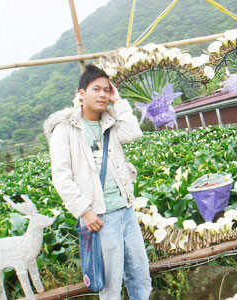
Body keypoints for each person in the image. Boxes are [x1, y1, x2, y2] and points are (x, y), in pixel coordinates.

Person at [44, 64, 152, 299]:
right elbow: (61, 176)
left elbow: (134, 134)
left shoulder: (110, 123)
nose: (102, 95)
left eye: (107, 90)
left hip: (125, 211)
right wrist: (84, 211)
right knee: (110, 286)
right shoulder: (64, 129)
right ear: (81, 93)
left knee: (140, 276)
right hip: (99, 218)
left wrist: (119, 101)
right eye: (96, 89)